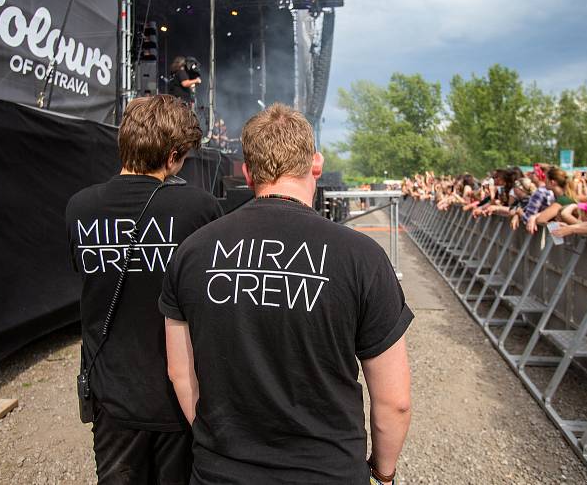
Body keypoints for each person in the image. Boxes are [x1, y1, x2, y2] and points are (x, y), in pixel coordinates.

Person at [160, 103, 413, 484]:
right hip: (328, 473)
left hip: (221, 474)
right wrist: (383, 469)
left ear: (246, 172)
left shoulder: (193, 251)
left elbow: (180, 373)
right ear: (316, 164)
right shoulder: (362, 257)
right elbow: (395, 401)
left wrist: (220, 448)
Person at [66, 95, 223, 484]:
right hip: (181, 397)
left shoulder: (79, 208)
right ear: (171, 156)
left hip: (110, 398)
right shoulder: (198, 208)